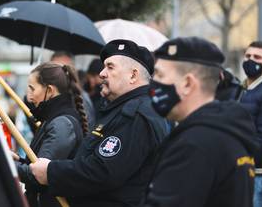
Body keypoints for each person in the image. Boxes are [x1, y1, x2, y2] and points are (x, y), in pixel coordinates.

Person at [30, 40, 169, 207]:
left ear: (133, 75)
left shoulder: (136, 114)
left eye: (110, 67)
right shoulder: (121, 109)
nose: (102, 73)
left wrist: (50, 171)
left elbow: (103, 172)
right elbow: (91, 160)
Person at [142, 37, 257, 207]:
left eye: (160, 74)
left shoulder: (194, 145)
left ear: (188, 83)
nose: (153, 82)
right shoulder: (228, 132)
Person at [16, 62, 88, 207]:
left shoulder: (62, 124)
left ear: (50, 90)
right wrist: (19, 160)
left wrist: (8, 165)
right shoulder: (52, 119)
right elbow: (39, 163)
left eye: (32, 89)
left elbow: (39, 175)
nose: (29, 97)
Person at [240, 41, 262, 207]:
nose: (251, 60)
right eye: (248, 56)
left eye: (257, 57)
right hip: (244, 170)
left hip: (259, 173)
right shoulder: (242, 89)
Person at [50, 51, 96, 130]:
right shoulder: (47, 95)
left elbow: (88, 131)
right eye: (54, 69)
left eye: (64, 69)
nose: (58, 74)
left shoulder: (81, 98)